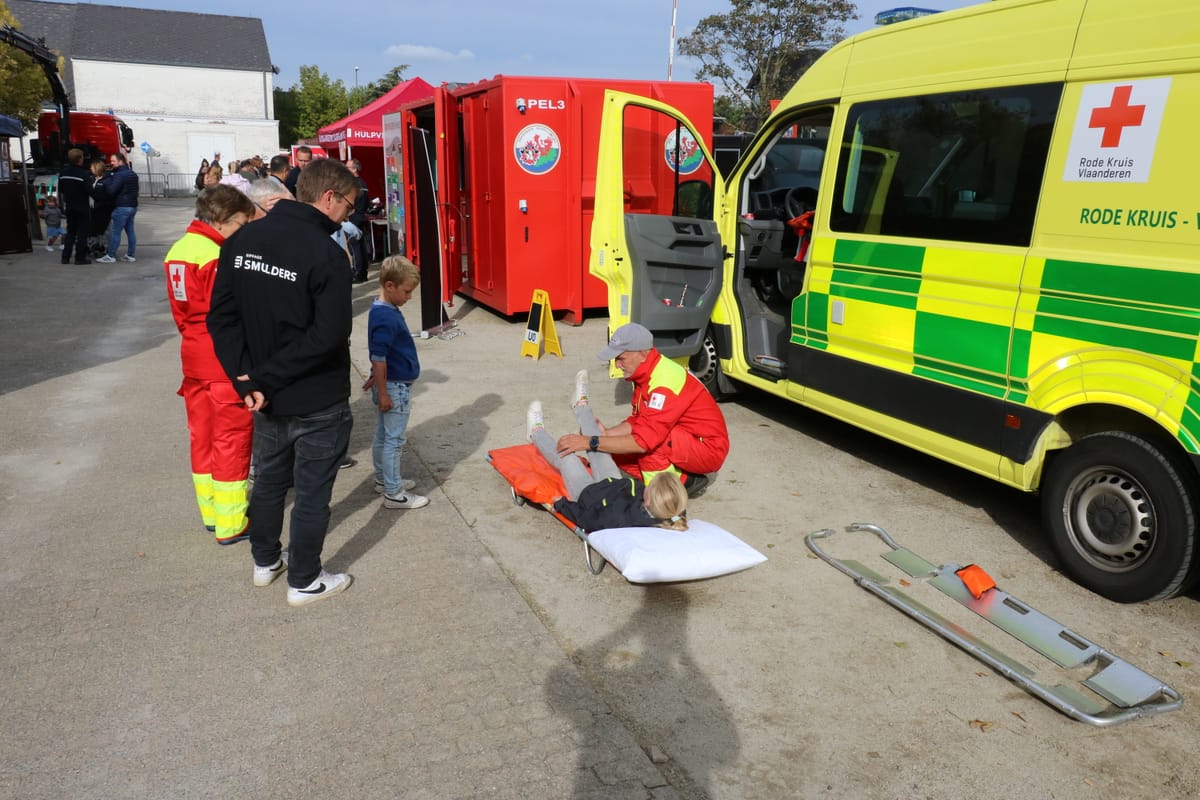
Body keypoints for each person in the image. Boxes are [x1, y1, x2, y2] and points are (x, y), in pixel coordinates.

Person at [208, 157, 359, 607]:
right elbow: (330, 335)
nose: (350, 214)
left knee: (271, 481)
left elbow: (221, 319)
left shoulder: (244, 239)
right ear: (328, 197)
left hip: (263, 395)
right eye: (350, 205)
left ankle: (265, 562)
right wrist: (256, 378)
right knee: (311, 492)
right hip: (314, 396)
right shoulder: (327, 254)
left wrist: (245, 379)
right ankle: (304, 580)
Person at [163, 184, 255, 544]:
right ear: (225, 220)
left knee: (201, 437)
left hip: (193, 355)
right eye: (242, 223)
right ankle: (232, 523)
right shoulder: (217, 256)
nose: (244, 231)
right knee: (230, 438)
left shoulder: (179, 250)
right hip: (222, 358)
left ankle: (211, 512)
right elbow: (230, 313)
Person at [556, 322, 730, 497]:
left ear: (642, 353)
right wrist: (606, 436)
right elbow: (638, 420)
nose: (617, 365)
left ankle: (665, 496)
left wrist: (590, 442)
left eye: (621, 358)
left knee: (650, 445)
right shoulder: (646, 373)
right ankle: (680, 480)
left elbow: (644, 440)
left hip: (708, 448)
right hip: (687, 438)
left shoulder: (664, 383)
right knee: (614, 450)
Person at [527, 398, 688, 532]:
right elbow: (678, 511)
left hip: (588, 494)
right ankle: (581, 406)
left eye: (650, 486)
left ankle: (536, 433)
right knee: (599, 448)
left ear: (648, 502)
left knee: (566, 456)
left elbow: (587, 519)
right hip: (613, 483)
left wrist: (561, 505)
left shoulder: (619, 518)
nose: (647, 485)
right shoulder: (672, 511)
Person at [363, 256, 429, 510]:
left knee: (384, 435)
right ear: (390, 286)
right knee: (394, 440)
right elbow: (378, 357)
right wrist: (383, 392)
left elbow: (380, 355)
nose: (409, 297)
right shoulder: (386, 317)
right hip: (394, 387)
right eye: (407, 291)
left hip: (390, 384)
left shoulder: (382, 309)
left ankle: (384, 480)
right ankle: (393, 492)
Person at [96, 152, 139, 263]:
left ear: (121, 161)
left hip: (122, 207)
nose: (111, 163)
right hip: (132, 206)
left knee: (115, 232)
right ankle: (130, 255)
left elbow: (111, 191)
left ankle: (111, 255)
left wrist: (105, 183)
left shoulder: (119, 175)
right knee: (130, 232)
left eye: (113, 161)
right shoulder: (132, 174)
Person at [57, 147, 93, 265]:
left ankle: (65, 257)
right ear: (79, 159)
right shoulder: (84, 174)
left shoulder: (63, 173)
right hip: (82, 207)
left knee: (71, 231)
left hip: (70, 206)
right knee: (82, 233)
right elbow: (89, 190)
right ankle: (79, 258)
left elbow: (61, 189)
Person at [346, 158, 370, 283]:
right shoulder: (363, 183)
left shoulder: (353, 184)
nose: (345, 169)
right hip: (361, 217)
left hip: (353, 219)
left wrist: (349, 212)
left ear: (354, 169)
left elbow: (350, 202)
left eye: (348, 167)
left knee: (354, 247)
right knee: (361, 247)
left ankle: (357, 273)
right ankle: (363, 273)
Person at [88, 158, 115, 258]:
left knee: (105, 230)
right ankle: (96, 247)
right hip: (94, 209)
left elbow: (108, 195)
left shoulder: (107, 180)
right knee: (95, 229)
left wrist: (95, 196)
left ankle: (106, 249)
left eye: (92, 167)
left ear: (97, 168)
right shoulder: (92, 178)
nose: (90, 168)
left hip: (104, 209)